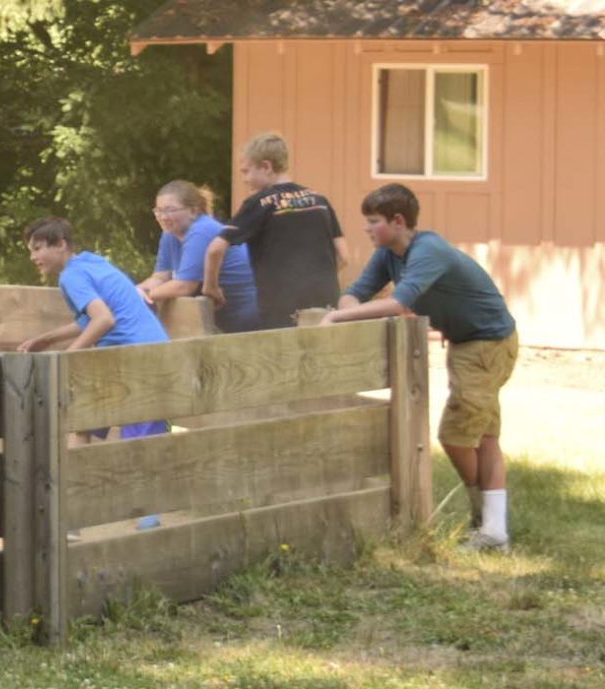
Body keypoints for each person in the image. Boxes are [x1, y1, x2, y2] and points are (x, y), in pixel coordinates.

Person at [323, 183, 520, 551]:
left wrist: (336, 319)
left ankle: (488, 525)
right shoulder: (388, 253)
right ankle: (494, 530)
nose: (366, 228)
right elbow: (356, 291)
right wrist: (346, 309)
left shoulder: (428, 251)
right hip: (469, 343)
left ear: (398, 221)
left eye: (373, 221)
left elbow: (399, 304)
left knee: (456, 435)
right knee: (485, 436)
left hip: (487, 343)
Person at [18, 217, 172, 441]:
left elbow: (103, 320)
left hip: (139, 361)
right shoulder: (90, 262)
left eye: (38, 249)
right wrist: (45, 340)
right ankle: (76, 475)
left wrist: (66, 357)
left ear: (61, 244)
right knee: (83, 421)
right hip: (140, 355)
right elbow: (92, 319)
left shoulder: (71, 276)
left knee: (140, 446)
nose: (33, 257)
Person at [205, 132, 351, 330]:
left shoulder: (259, 202)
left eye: (246, 171)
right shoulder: (319, 200)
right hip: (325, 299)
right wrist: (315, 276)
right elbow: (344, 255)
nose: (244, 179)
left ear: (266, 166)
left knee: (284, 357)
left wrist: (211, 287)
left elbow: (215, 249)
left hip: (281, 303)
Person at [140, 181, 261, 334]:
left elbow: (184, 286)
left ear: (193, 211)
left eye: (170, 210)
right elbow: (160, 277)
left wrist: (145, 297)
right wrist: (136, 291)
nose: (163, 217)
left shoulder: (201, 230)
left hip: (247, 318)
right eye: (158, 211)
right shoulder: (170, 233)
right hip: (219, 319)